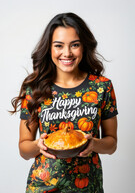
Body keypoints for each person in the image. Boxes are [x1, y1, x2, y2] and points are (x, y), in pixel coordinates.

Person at [11, 12, 118, 193]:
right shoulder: (35, 89)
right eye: (58, 46)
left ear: (84, 47)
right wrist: (38, 145)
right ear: (49, 48)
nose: (67, 53)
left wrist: (94, 144)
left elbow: (112, 144)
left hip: (87, 186)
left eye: (74, 45)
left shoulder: (102, 87)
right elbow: (24, 148)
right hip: (43, 186)